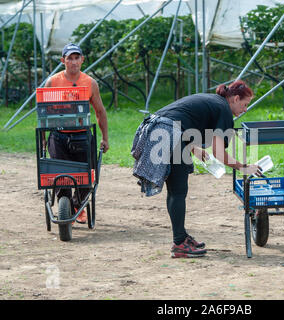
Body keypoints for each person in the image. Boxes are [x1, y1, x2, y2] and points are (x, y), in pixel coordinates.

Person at [131, 80, 262, 258]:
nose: (245, 109)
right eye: (245, 104)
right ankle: (179, 244)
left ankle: (181, 237)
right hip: (167, 132)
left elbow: (184, 118)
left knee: (176, 190)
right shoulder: (224, 109)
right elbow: (218, 152)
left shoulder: (214, 101)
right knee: (178, 190)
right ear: (236, 98)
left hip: (157, 128)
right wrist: (243, 167)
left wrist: (193, 147)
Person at [45, 43, 109, 224]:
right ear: (63, 60)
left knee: (87, 174)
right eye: (69, 58)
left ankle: (77, 205)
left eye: (76, 58)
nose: (73, 62)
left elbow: (100, 112)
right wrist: (43, 139)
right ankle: (64, 205)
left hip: (82, 135)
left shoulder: (90, 83)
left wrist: (105, 138)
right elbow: (45, 113)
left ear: (82, 60)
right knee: (61, 175)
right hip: (59, 135)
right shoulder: (53, 82)